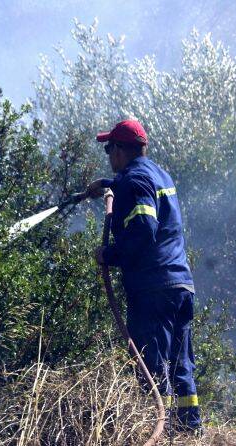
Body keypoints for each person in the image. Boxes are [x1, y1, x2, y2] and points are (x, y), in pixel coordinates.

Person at [86, 119, 202, 432]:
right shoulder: (158, 174)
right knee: (181, 365)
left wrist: (109, 255)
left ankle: (155, 431)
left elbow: (143, 228)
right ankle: (189, 432)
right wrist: (109, 185)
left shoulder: (132, 181)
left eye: (110, 148)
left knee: (152, 365)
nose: (108, 154)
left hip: (154, 290)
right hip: (180, 285)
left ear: (121, 150)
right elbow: (142, 195)